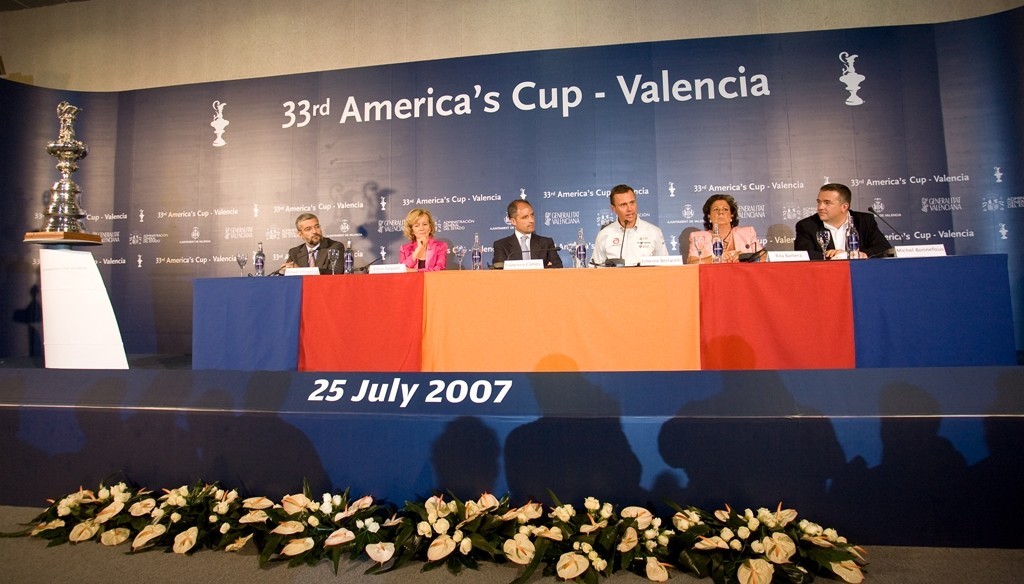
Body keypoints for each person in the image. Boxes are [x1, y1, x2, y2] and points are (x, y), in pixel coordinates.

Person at [794, 183, 891, 260]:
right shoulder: (807, 225)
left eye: (827, 203)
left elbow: (884, 248)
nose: (820, 207)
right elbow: (803, 255)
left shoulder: (864, 221)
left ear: (844, 207)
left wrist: (860, 254)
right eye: (819, 202)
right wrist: (837, 256)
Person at [591, 184, 668, 266]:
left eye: (632, 203)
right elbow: (595, 268)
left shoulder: (654, 232)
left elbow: (666, 266)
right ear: (613, 209)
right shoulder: (604, 234)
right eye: (623, 205)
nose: (630, 209)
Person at [687, 193, 760, 263]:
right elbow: (692, 262)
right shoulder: (698, 237)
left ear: (732, 215)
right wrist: (716, 258)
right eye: (716, 209)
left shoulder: (747, 233)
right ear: (709, 215)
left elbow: (764, 257)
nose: (720, 212)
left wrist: (743, 256)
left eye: (725, 209)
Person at [492, 200, 563, 268]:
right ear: (513, 221)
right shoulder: (501, 245)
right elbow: (499, 272)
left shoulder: (547, 243)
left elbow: (557, 268)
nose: (531, 220)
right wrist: (544, 267)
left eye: (532, 215)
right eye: (525, 217)